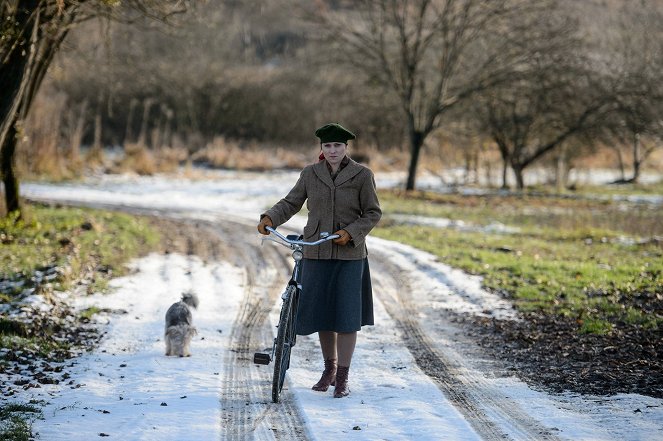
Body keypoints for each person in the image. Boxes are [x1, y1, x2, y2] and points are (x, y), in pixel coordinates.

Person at [257, 123, 382, 398]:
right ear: (322, 149)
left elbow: (373, 213)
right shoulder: (310, 174)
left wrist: (350, 233)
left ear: (346, 147)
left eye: (338, 145)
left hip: (350, 255)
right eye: (328, 146)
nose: (333, 150)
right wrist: (270, 218)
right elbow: (291, 202)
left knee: (347, 318)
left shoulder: (362, 175)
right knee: (325, 315)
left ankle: (343, 378)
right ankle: (329, 369)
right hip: (315, 252)